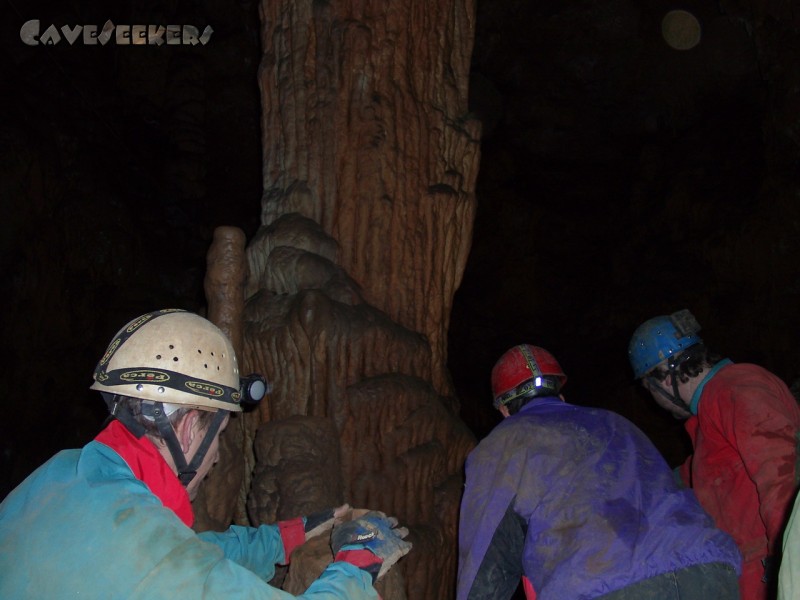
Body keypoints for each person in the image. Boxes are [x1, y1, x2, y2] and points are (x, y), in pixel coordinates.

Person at [0, 309, 411, 598]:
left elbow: (188, 555)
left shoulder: (60, 475)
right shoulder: (144, 551)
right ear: (188, 425)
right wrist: (359, 561)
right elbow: (165, 561)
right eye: (219, 434)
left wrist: (288, 536)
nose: (216, 458)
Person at [457, 343, 741, 600]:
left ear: (505, 410)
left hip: (606, 584)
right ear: (562, 395)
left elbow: (487, 554)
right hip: (711, 571)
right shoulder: (617, 424)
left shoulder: (502, 443)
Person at [629, 309, 800, 600]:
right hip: (749, 574)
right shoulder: (709, 418)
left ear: (665, 377)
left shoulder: (735, 388)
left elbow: (782, 472)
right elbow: (690, 478)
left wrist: (785, 560)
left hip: (771, 571)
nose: (655, 402)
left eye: (650, 389)